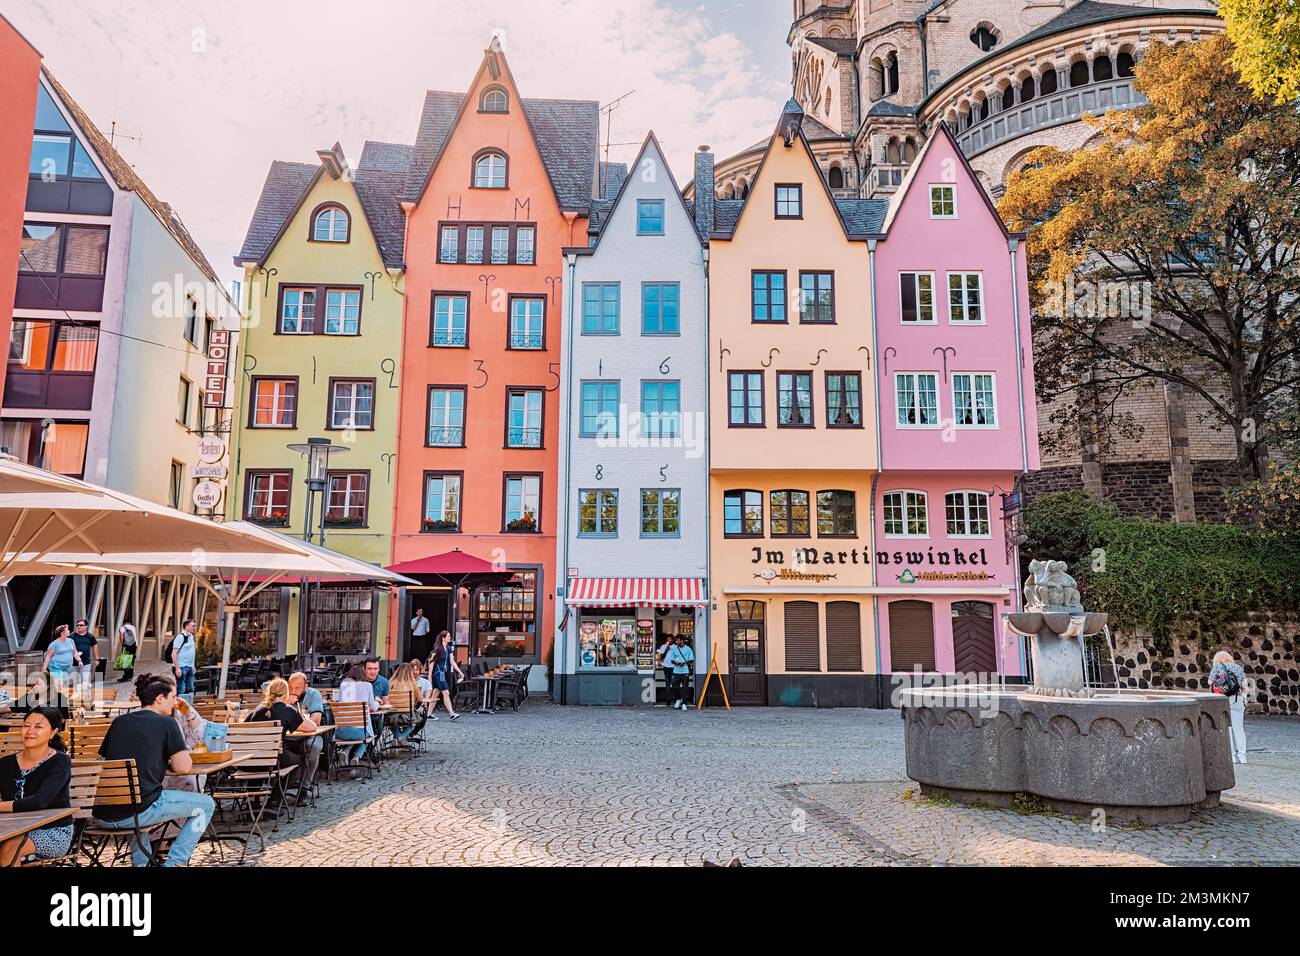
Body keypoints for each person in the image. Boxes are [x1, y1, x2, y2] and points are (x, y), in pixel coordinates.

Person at [93, 673, 214, 867]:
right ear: (160, 698)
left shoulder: (119, 722)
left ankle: (141, 864)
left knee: (135, 800)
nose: (175, 703)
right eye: (173, 697)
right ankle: (176, 862)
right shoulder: (167, 723)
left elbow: (103, 760)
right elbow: (183, 768)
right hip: (138, 813)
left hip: (102, 814)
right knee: (206, 805)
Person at [0, 707, 73, 865]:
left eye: (38, 727)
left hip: (53, 831)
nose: (30, 731)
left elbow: (40, 801)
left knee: (10, 848)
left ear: (53, 732)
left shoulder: (60, 761)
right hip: (12, 829)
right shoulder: (5, 763)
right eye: (26, 725)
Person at [247, 677, 319, 797]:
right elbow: (312, 727)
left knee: (262, 755)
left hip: (250, 761)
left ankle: (252, 803)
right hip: (273, 760)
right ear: (285, 694)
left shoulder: (257, 710)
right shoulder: (287, 710)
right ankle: (275, 801)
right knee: (297, 763)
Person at [1210, 650, 1249, 764]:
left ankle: (1231, 757)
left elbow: (1209, 682)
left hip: (1222, 700)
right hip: (1237, 700)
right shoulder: (1238, 668)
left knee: (1227, 728)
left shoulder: (1217, 667)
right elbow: (1245, 687)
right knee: (1239, 728)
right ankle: (1243, 757)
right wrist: (1244, 699)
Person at [335, 664, 377, 764]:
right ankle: (356, 757)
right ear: (363, 674)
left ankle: (345, 751)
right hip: (359, 732)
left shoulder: (343, 685)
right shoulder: (367, 685)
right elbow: (372, 707)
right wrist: (378, 703)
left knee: (355, 731)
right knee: (368, 734)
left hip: (341, 732)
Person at [428, 631, 462, 720]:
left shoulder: (448, 648)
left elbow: (452, 662)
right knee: (446, 692)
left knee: (435, 693)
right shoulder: (437, 649)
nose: (450, 638)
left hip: (442, 674)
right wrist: (429, 676)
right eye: (448, 636)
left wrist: (460, 672)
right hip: (438, 673)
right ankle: (451, 713)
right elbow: (431, 663)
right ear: (443, 638)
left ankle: (428, 714)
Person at [42, 624, 80, 690]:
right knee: (58, 686)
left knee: (63, 686)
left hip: (67, 668)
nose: (69, 631)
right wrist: (44, 668)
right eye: (67, 630)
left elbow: (75, 652)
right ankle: (54, 697)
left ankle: (59, 697)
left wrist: (79, 660)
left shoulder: (71, 641)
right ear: (62, 633)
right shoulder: (54, 644)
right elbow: (48, 656)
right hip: (56, 668)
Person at [664, 635, 695, 711]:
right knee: (675, 686)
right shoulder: (675, 649)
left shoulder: (688, 649)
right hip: (676, 671)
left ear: (682, 641)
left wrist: (684, 663)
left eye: (678, 640)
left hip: (685, 671)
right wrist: (676, 663)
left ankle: (684, 703)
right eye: (676, 640)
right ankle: (678, 699)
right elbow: (672, 659)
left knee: (685, 688)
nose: (677, 642)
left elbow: (691, 659)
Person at [171, 619, 198, 701]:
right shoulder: (180, 637)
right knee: (181, 689)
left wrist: (192, 665)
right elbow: (174, 654)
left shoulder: (191, 637)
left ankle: (187, 707)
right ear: (187, 626)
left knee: (190, 688)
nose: (194, 628)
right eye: (193, 626)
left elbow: (191, 652)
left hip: (189, 667)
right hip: (181, 667)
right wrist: (177, 668)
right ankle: (179, 709)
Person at [70, 619, 99, 689]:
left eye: (81, 625)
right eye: (77, 625)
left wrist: (97, 659)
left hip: (86, 662)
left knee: (85, 682)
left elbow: (95, 646)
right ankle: (77, 698)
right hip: (73, 663)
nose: (79, 626)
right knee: (75, 683)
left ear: (86, 626)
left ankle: (86, 697)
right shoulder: (72, 636)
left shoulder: (90, 636)